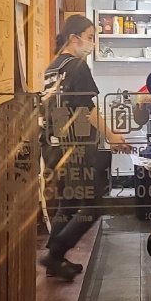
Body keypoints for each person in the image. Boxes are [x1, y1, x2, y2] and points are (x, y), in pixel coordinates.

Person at [41, 15, 132, 281]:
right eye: (90, 37)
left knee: (68, 202)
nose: (92, 43)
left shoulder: (53, 67)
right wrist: (112, 135)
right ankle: (55, 254)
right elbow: (87, 109)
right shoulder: (77, 66)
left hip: (52, 146)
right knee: (94, 205)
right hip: (74, 148)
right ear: (74, 38)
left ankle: (54, 262)